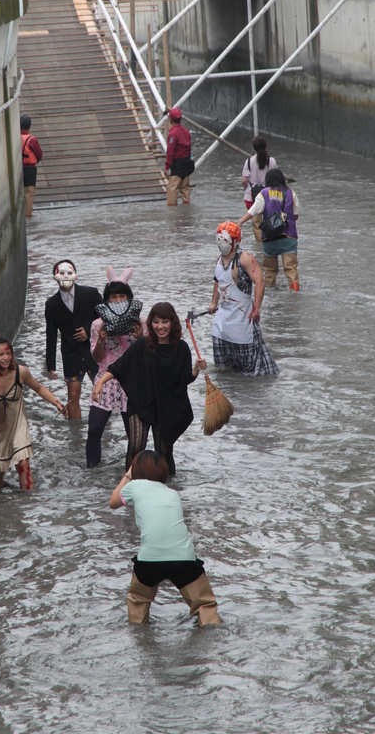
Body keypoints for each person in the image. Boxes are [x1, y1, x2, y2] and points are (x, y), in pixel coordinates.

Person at [109, 450, 221, 626]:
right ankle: (211, 639)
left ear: (136, 472)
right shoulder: (172, 493)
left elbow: (113, 502)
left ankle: (140, 638)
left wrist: (128, 475)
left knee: (138, 601)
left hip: (148, 560)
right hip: (183, 559)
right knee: (205, 606)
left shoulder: (134, 486)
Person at [92, 302, 205, 475]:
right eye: (156, 321)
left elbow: (184, 379)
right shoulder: (142, 344)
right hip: (140, 402)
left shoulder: (181, 348)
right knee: (136, 445)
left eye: (165, 322)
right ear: (150, 323)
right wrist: (100, 383)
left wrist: (196, 369)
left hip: (165, 405)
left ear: (172, 323)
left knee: (164, 451)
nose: (160, 327)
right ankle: (129, 485)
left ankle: (168, 488)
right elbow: (119, 367)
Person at [0, 334, 68, 490]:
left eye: (8, 353)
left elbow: (39, 388)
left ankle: (29, 505)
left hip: (18, 425)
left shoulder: (21, 372)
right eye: (1, 354)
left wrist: (57, 403)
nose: (6, 358)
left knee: (24, 465)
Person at [85, 268, 145, 468]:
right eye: (113, 296)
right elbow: (97, 358)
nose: (118, 300)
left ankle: (133, 471)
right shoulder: (97, 324)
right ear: (107, 299)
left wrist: (140, 338)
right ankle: (92, 470)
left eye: (122, 296)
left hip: (132, 380)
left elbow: (147, 356)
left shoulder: (140, 321)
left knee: (134, 434)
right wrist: (101, 339)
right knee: (94, 428)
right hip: (106, 379)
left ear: (129, 298)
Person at [208, 221, 279, 376]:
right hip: (223, 320)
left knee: (251, 366)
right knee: (224, 368)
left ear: (235, 241)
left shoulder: (245, 258)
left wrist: (257, 307)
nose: (221, 243)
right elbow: (217, 281)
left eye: (225, 240)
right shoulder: (219, 260)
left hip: (242, 317)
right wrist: (213, 303)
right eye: (219, 239)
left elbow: (260, 281)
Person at [45, 260, 102, 420]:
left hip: (94, 351)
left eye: (69, 272)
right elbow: (51, 334)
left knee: (101, 391)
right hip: (71, 354)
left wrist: (88, 329)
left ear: (75, 275)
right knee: (73, 395)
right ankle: (75, 436)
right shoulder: (51, 305)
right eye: (61, 273)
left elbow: (105, 317)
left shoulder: (91, 294)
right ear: (55, 277)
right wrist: (50, 364)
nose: (66, 277)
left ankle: (104, 431)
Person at [238, 168, 300, 291]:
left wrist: (240, 222)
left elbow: (253, 211)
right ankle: (295, 292)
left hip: (269, 238)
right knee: (291, 269)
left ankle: (271, 295)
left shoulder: (264, 193)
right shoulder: (291, 193)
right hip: (288, 236)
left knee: (270, 272)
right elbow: (296, 215)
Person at [241, 135, 278, 244]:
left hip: (251, 196)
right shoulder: (272, 161)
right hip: (269, 196)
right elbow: (275, 178)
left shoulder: (249, 162)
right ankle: (270, 241)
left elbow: (244, 180)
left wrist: (248, 188)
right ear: (266, 146)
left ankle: (260, 245)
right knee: (270, 219)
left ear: (253, 148)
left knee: (256, 223)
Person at [165, 107, 194, 206]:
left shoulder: (173, 134)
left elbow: (170, 152)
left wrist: (167, 167)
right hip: (187, 163)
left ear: (170, 120)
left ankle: (172, 215)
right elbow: (189, 148)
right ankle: (186, 212)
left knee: (172, 189)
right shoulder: (186, 131)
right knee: (185, 188)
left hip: (177, 164)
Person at [20, 114, 42, 217]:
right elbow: (39, 154)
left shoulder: (16, 137)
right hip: (29, 170)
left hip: (18, 169)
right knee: (28, 194)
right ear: (29, 126)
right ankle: (27, 216)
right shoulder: (32, 140)